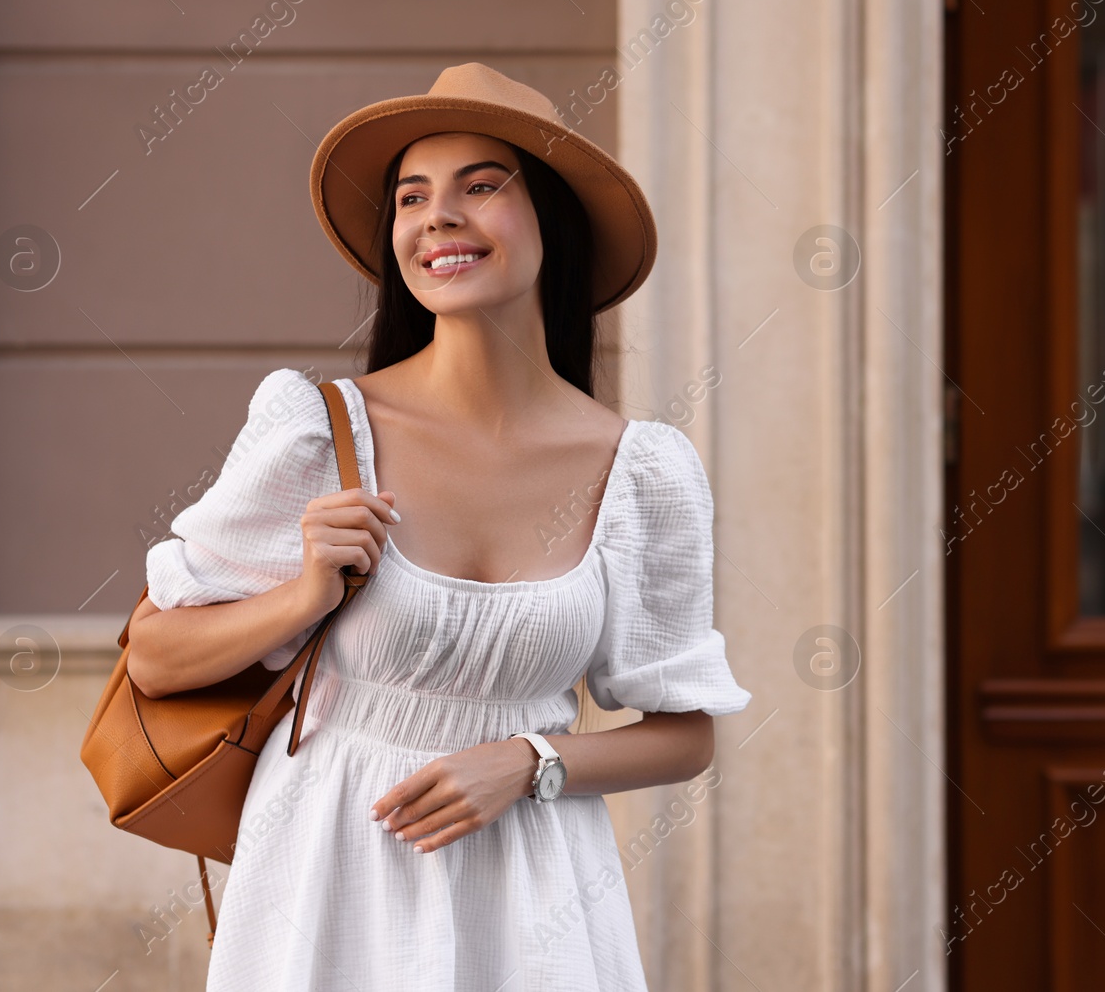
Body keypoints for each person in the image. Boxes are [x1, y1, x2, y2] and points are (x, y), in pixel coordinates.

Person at [124, 63, 752, 991]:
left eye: (481, 186)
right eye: (412, 197)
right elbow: (153, 657)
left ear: (553, 220)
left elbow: (686, 733)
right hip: (326, 886)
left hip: (537, 899)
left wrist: (529, 761)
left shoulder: (643, 470)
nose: (437, 216)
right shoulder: (316, 430)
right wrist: (302, 594)